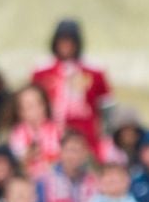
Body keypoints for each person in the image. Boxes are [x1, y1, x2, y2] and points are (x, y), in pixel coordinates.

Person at [30, 18, 113, 155]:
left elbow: (106, 106)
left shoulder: (94, 71)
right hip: (51, 136)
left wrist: (105, 135)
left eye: (70, 41)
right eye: (62, 40)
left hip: (86, 136)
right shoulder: (42, 71)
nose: (66, 45)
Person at [36, 130, 96, 202]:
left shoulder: (93, 183)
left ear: (85, 154)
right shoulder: (45, 181)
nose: (73, 156)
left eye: (77, 151)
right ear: (61, 152)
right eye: (69, 150)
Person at [3, 83, 63, 179]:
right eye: (29, 106)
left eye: (39, 104)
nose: (36, 110)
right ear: (19, 112)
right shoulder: (16, 135)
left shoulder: (59, 131)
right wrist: (29, 155)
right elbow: (17, 162)